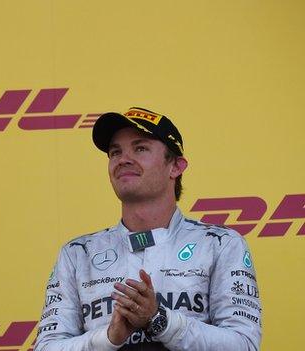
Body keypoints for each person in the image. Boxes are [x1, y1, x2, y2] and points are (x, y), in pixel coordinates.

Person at [34, 107, 261, 350]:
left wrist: (159, 319)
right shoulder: (78, 253)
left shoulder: (220, 244)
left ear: (175, 166)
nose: (123, 159)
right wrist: (109, 338)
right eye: (115, 152)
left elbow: (244, 344)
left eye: (140, 148)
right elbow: (47, 346)